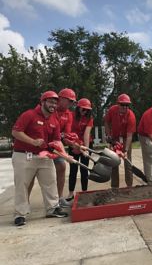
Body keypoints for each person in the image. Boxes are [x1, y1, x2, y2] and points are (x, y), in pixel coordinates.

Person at [12, 91, 68, 226]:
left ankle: (52, 208)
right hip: (24, 155)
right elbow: (15, 132)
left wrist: (65, 154)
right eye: (50, 102)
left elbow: (57, 141)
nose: (53, 105)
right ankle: (20, 214)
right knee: (22, 185)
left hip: (44, 156)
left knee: (50, 182)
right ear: (43, 102)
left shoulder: (54, 119)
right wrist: (33, 142)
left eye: (55, 102)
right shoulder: (29, 115)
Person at [27, 88, 76, 207]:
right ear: (61, 99)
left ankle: (59, 198)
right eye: (69, 101)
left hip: (54, 146)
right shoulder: (48, 109)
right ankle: (25, 201)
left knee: (62, 166)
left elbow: (65, 135)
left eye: (72, 102)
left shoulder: (68, 114)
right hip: (39, 146)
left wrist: (72, 143)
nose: (71, 104)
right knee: (30, 175)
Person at [104, 94, 136, 188]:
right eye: (123, 105)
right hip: (114, 138)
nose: (125, 107)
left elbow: (130, 135)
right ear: (118, 104)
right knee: (114, 162)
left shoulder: (131, 116)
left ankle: (129, 186)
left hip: (126, 138)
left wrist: (125, 150)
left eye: (127, 105)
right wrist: (108, 134)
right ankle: (115, 187)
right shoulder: (112, 110)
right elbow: (106, 122)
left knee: (127, 163)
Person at [67, 98, 94, 200]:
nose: (85, 111)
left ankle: (84, 192)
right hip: (73, 144)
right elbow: (68, 132)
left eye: (87, 110)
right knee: (73, 169)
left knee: (84, 169)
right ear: (78, 108)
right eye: (83, 109)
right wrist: (74, 145)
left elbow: (87, 134)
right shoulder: (71, 116)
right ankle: (70, 193)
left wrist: (86, 149)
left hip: (86, 144)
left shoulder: (89, 118)